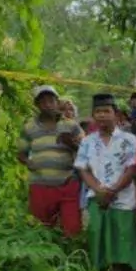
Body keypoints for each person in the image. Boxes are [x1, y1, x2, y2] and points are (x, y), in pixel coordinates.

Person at [74, 93, 136, 271]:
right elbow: (82, 168)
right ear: (92, 116)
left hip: (124, 199)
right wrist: (98, 189)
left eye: (106, 111)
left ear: (116, 114)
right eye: (98, 112)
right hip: (97, 198)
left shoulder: (129, 139)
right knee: (102, 238)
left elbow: (133, 168)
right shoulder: (88, 141)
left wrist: (112, 190)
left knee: (127, 240)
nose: (102, 115)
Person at [17, 85, 84, 237]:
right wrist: (29, 163)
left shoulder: (71, 125)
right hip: (40, 184)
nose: (48, 105)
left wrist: (72, 144)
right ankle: (47, 259)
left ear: (57, 102)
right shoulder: (29, 128)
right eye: (43, 101)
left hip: (68, 182)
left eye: (51, 101)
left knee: (72, 228)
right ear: (37, 105)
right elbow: (21, 153)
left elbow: (86, 152)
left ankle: (71, 257)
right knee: (42, 229)